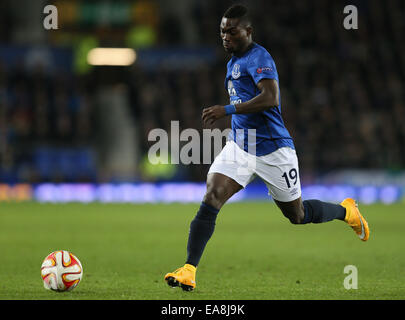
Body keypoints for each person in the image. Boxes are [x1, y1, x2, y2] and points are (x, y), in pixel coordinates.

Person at [164, 4, 369, 292]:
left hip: (274, 149)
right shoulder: (232, 61)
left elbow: (270, 98)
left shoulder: (259, 58)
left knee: (296, 215)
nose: (225, 37)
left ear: (249, 32)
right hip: (241, 146)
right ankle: (189, 269)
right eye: (222, 32)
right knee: (212, 196)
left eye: (232, 32)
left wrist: (227, 109)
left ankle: (347, 212)